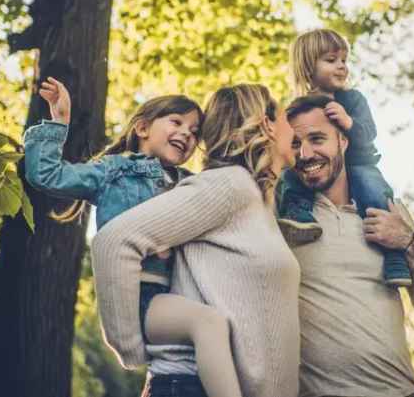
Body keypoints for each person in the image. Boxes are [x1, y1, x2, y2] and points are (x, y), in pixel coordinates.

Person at [23, 77, 244, 397]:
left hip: (179, 294)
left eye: (195, 132)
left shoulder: (190, 183)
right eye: (177, 122)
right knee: (207, 325)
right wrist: (60, 122)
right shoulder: (114, 170)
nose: (186, 133)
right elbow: (47, 175)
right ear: (142, 128)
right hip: (139, 297)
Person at [90, 84, 301, 397]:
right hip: (188, 387)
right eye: (286, 117)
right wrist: (130, 345)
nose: (294, 129)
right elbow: (112, 241)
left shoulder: (256, 197)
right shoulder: (228, 185)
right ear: (266, 124)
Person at [286, 94, 414, 397]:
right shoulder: (284, 219)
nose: (305, 153)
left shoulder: (390, 211)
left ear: (344, 142)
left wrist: (409, 243)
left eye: (317, 139)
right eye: (295, 144)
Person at [277, 28, 412, 287]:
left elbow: (369, 133)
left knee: (373, 192)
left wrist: (348, 122)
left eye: (344, 61)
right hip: (317, 170)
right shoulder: (297, 107)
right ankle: (298, 214)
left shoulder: (352, 99)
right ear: (308, 67)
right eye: (331, 60)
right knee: (288, 176)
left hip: (359, 163)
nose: (341, 67)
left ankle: (394, 257)